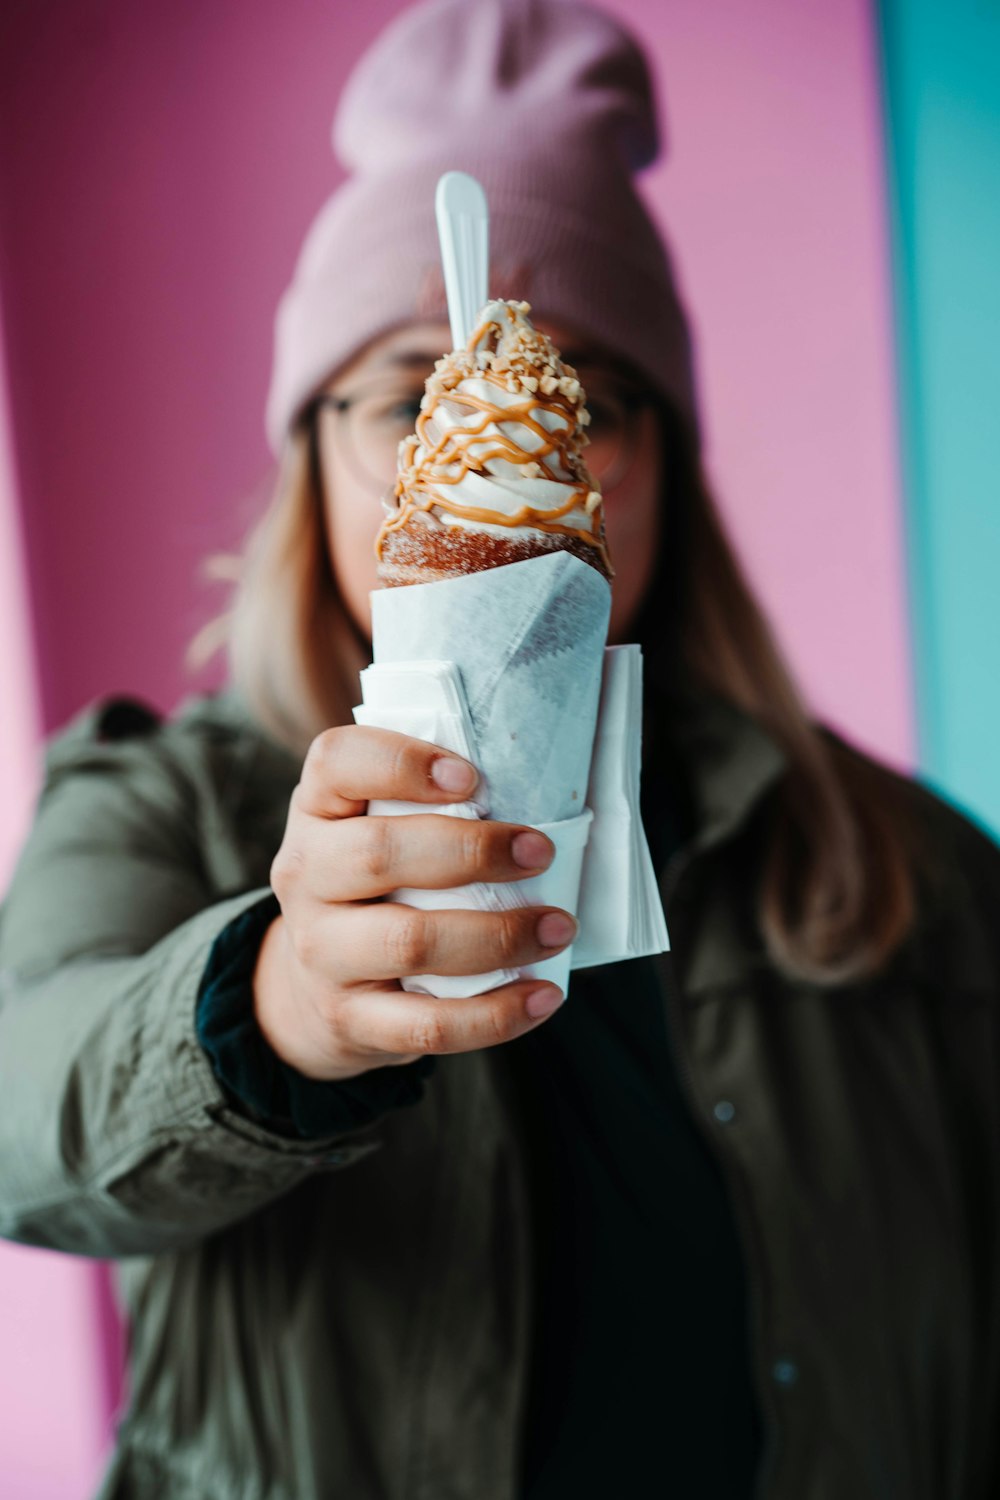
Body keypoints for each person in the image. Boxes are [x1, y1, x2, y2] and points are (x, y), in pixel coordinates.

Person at [2, 1, 999, 1497]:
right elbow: (27, 1118)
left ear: (660, 463)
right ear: (316, 454)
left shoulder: (902, 872)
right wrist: (270, 1004)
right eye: (410, 392)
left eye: (580, 402)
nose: (469, 441)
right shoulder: (159, 801)